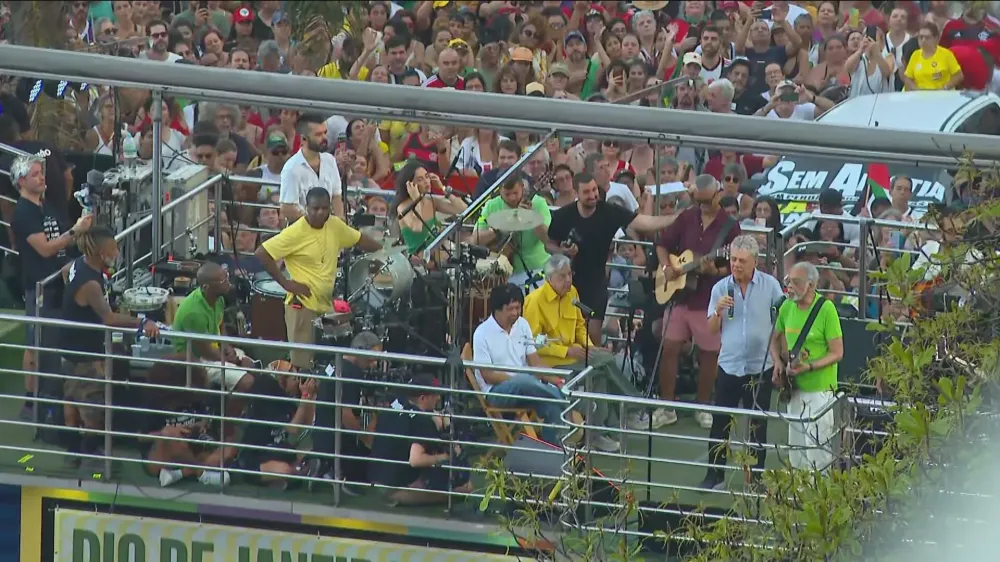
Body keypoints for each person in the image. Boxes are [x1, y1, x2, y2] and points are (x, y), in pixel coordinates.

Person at [523, 255, 668, 439]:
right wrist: (566, 350)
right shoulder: (534, 301)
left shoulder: (572, 293)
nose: (568, 280)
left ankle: (606, 428)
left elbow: (579, 326)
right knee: (605, 362)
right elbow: (534, 344)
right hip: (552, 362)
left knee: (601, 370)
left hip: (576, 353)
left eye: (570, 274)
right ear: (549, 278)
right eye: (562, 276)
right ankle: (634, 407)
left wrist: (590, 346)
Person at [59, 227, 159, 462]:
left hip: (69, 345)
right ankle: (90, 452)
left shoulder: (78, 265)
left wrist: (74, 305)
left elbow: (64, 272)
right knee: (92, 407)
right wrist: (142, 322)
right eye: (114, 249)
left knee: (71, 397)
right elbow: (109, 318)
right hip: (85, 353)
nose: (117, 252)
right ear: (101, 253)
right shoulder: (91, 284)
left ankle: (72, 451)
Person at [256, 188, 382, 370]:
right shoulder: (295, 232)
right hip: (302, 306)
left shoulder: (334, 225)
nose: (320, 213)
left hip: (325, 306)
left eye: (325, 208)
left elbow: (359, 239)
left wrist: (385, 251)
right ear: (306, 208)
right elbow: (262, 253)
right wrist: (287, 284)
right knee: (303, 365)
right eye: (315, 208)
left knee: (326, 361)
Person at [547, 172, 676, 345]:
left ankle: (594, 361)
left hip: (596, 281)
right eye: (587, 192)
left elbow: (645, 223)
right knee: (567, 334)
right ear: (576, 193)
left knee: (593, 334)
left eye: (594, 190)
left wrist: (678, 218)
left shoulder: (609, 211)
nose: (593, 195)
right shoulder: (564, 216)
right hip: (568, 281)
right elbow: (548, 245)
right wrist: (562, 251)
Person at [656, 175, 742, 430]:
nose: (702, 206)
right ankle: (666, 406)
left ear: (718, 195)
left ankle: (703, 406)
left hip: (708, 299)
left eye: (706, 201)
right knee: (669, 348)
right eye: (698, 201)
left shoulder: (730, 227)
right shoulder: (687, 217)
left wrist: (715, 271)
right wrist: (667, 267)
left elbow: (736, 265)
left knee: (709, 354)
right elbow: (662, 244)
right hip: (679, 298)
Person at [701, 235, 785, 490]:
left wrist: (780, 358)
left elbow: (781, 323)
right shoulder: (720, 288)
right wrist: (718, 311)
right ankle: (715, 475)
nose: (736, 264)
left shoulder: (771, 286)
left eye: (742, 260)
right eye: (733, 259)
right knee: (721, 422)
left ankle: (755, 478)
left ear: (755, 262)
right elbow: (711, 330)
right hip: (730, 365)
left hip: (761, 366)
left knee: (758, 426)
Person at [10, 154, 91, 416]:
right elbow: (45, 249)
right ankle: (31, 401)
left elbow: (58, 243)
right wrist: (75, 232)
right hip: (39, 286)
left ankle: (47, 397)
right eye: (34, 174)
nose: (41, 177)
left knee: (51, 340)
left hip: (56, 283)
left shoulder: (45, 206)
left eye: (41, 172)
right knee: (35, 344)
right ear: (22, 182)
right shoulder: (24, 212)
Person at [771, 261, 844, 471]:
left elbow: (837, 352)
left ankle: (819, 490)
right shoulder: (786, 307)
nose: (790, 286)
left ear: (811, 285)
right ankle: (799, 489)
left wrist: (810, 367)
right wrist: (777, 362)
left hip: (820, 390)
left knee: (818, 454)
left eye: (795, 282)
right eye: (788, 281)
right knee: (796, 451)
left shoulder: (826, 309)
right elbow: (774, 338)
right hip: (794, 388)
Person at [472, 283, 564, 444]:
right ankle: (569, 400)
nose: (515, 313)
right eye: (510, 309)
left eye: (518, 308)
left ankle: (553, 448)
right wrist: (518, 380)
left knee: (551, 403)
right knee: (527, 380)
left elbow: (535, 362)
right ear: (497, 310)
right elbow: (488, 375)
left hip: (527, 387)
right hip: (497, 392)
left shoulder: (522, 324)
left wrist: (556, 380)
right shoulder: (482, 333)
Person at [370, 373, 472, 506]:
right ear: (423, 398)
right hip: (396, 487)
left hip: (376, 476)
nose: (438, 398)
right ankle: (398, 496)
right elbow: (415, 460)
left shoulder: (396, 402)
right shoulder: (423, 422)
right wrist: (445, 457)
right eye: (435, 394)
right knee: (466, 489)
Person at [171, 263, 255, 401]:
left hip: (213, 352)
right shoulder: (193, 313)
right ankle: (227, 415)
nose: (228, 283)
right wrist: (235, 361)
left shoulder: (218, 298)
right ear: (206, 287)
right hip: (195, 361)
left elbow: (220, 325)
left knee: (253, 366)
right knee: (246, 381)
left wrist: (227, 346)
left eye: (226, 277)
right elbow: (206, 352)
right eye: (223, 281)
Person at [140, 363, 232, 488]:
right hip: (164, 453)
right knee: (171, 435)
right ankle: (201, 473)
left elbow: (211, 425)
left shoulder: (200, 399)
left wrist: (200, 425)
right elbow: (141, 437)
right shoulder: (155, 403)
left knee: (229, 449)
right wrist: (165, 431)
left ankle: (182, 473)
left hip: (194, 448)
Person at [238, 360, 322, 490]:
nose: (297, 382)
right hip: (257, 456)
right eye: (294, 378)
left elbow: (309, 422)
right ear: (281, 380)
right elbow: (293, 429)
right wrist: (305, 396)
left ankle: (294, 476)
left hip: (280, 451)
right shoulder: (267, 402)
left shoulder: (288, 402)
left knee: (312, 453)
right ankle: (294, 475)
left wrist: (312, 396)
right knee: (285, 470)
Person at [314, 331, 380, 492]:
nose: (373, 364)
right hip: (337, 442)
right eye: (371, 359)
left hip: (320, 436)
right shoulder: (352, 373)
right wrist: (364, 438)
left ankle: (324, 465)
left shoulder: (333, 364)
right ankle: (339, 474)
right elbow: (347, 416)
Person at [472, 171, 550, 290]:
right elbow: (475, 239)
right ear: (499, 190)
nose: (512, 198)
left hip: (537, 269)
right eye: (507, 194)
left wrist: (531, 217)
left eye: (515, 193)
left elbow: (548, 239)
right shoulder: (491, 206)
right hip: (503, 274)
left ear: (522, 187)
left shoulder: (539, 203)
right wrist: (500, 229)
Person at [279, 113, 344, 223]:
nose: (324, 138)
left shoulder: (330, 160)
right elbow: (287, 208)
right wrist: (313, 220)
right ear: (303, 139)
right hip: (303, 229)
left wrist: (339, 222)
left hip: (328, 227)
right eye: (318, 134)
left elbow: (336, 196)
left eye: (325, 133)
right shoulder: (291, 168)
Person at [902, 22, 964, 91]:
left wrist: (945, 88)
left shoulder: (946, 54)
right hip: (921, 94)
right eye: (921, 37)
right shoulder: (915, 55)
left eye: (927, 37)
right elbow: (908, 78)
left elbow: (958, 75)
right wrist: (915, 89)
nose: (923, 40)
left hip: (942, 94)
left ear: (936, 38)